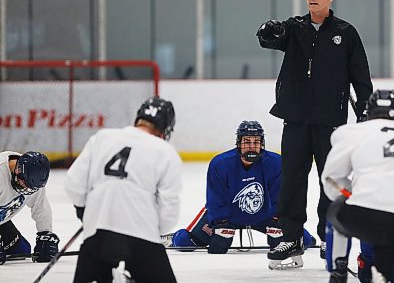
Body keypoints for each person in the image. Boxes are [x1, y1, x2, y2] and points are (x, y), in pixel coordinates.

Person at [256, 0, 373, 267]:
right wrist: (267, 31)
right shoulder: (295, 28)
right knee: (292, 180)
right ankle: (290, 237)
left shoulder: (346, 33)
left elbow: (360, 76)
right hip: (295, 119)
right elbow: (271, 38)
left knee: (329, 181)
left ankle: (328, 236)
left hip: (330, 122)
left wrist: (367, 113)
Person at [321, 89, 394, 283]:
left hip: (363, 216)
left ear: (369, 113)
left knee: (336, 211)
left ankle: (338, 272)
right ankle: (384, 271)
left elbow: (330, 179)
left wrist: (351, 193)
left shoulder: (352, 132)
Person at [64, 96, 182, 283]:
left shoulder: (102, 138)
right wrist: (152, 227)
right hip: (142, 237)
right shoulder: (166, 151)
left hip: (98, 233)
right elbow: (169, 213)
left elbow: (73, 184)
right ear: (166, 128)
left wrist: (85, 212)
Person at [165, 121, 316, 261]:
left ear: (262, 144)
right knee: (184, 242)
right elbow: (215, 199)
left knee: (305, 241)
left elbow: (280, 197)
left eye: (256, 142)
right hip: (229, 216)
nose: (251, 146)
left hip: (264, 216)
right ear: (239, 143)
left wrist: (277, 220)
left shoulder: (276, 163)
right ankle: (171, 238)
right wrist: (220, 223)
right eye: (247, 142)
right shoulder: (220, 164)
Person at [0, 151, 59, 265]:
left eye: (31, 188)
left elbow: (40, 207)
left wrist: (45, 233)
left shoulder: (33, 180)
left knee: (21, 251)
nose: (27, 190)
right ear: (17, 170)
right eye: (24, 184)